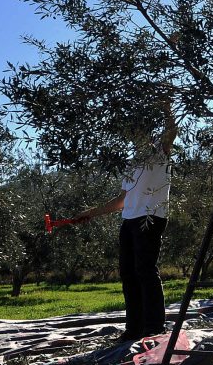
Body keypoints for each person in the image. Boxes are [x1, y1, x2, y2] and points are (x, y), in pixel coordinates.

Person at [74, 102, 177, 342]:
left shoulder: (160, 152)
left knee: (145, 271)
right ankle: (134, 328)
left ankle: (154, 327)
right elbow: (122, 200)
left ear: (147, 134)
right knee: (129, 273)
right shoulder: (131, 163)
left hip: (150, 218)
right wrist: (91, 212)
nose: (133, 137)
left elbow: (172, 132)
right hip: (129, 221)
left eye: (137, 132)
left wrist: (167, 108)